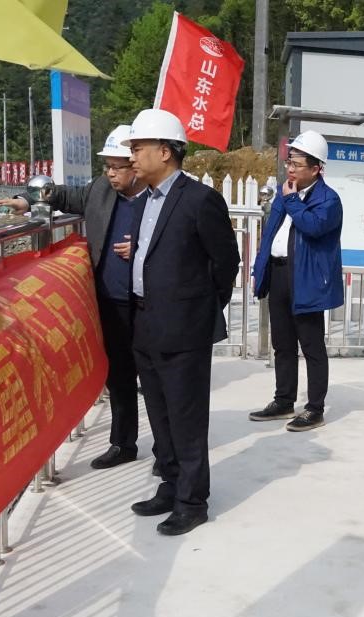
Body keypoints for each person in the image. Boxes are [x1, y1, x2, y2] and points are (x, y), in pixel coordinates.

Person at [0, 125, 150, 471]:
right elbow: (67, 196)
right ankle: (123, 443)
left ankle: (168, 451)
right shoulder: (101, 191)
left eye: (118, 167)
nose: (111, 173)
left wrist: (144, 249)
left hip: (148, 302)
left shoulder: (159, 197)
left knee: (155, 378)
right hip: (110, 301)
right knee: (119, 376)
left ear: (137, 164)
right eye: (107, 166)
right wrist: (29, 200)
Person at [122, 108, 240, 536]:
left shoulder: (199, 200)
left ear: (166, 151)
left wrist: (201, 307)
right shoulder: (144, 201)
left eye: (139, 147)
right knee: (160, 414)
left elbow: (226, 261)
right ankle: (170, 486)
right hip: (145, 322)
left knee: (187, 418)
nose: (132, 156)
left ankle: (192, 501)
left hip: (184, 327)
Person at [248, 130, 343, 432]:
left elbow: (312, 227)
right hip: (279, 274)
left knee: (311, 345)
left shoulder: (328, 200)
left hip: (306, 278)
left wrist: (291, 201)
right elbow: (270, 235)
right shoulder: (285, 192)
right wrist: (260, 269)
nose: (290, 169)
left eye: (297, 164)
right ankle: (284, 400)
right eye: (289, 162)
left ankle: (315, 408)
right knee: (282, 343)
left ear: (316, 169)